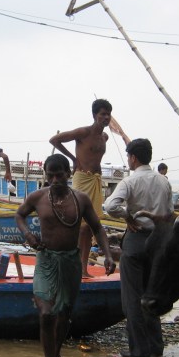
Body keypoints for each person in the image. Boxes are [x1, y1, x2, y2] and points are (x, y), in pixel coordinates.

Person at [15, 154, 116, 357]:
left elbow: (97, 227)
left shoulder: (81, 199)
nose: (55, 178)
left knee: (64, 313)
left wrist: (108, 254)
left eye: (59, 173)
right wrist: (28, 235)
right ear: (46, 175)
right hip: (46, 260)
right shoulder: (37, 197)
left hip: (70, 262)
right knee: (46, 313)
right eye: (50, 174)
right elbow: (20, 215)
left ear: (68, 173)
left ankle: (57, 355)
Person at [103, 139, 173, 357]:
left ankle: (139, 349)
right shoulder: (164, 182)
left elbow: (109, 206)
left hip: (136, 240)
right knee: (152, 293)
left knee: (132, 298)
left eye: (128, 157)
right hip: (158, 242)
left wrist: (128, 216)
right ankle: (155, 346)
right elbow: (169, 213)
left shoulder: (130, 181)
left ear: (133, 157)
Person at [50, 99, 126, 277]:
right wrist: (73, 159)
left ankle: (83, 269)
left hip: (96, 180)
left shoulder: (104, 137)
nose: (106, 117)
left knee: (91, 226)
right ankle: (77, 268)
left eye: (108, 114)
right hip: (82, 179)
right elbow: (55, 140)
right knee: (81, 226)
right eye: (102, 114)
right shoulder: (83, 132)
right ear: (94, 115)